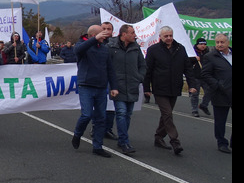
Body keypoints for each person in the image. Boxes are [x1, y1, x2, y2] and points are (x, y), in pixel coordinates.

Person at [143, 26, 198, 156]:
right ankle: (175, 141)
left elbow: (188, 69)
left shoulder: (180, 49)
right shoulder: (153, 50)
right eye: (166, 36)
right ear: (160, 37)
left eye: (170, 35)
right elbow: (147, 71)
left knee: (166, 115)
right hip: (160, 88)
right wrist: (147, 88)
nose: (168, 38)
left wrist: (192, 85)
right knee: (167, 114)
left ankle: (158, 137)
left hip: (175, 87)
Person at [71, 25, 119, 157]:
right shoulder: (82, 45)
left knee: (100, 118)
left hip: (101, 87)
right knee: (86, 114)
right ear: (93, 35)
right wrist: (94, 40)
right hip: (86, 85)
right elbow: (78, 50)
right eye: (101, 34)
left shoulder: (104, 49)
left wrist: (113, 86)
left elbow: (110, 69)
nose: (105, 36)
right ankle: (77, 134)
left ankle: (97, 146)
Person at [107, 24, 146, 155]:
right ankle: (124, 141)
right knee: (121, 113)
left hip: (133, 86)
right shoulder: (112, 48)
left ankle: (122, 138)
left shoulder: (136, 48)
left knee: (128, 114)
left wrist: (139, 77)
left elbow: (142, 65)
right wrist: (111, 83)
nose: (135, 35)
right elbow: (106, 65)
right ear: (124, 34)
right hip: (118, 87)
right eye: (132, 32)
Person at [200, 33, 232, 153]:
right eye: (217, 42)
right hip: (220, 93)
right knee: (220, 120)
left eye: (222, 42)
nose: (219, 45)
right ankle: (222, 142)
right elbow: (205, 74)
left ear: (228, 42)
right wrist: (217, 84)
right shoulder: (210, 57)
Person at [189, 38, 211, 116]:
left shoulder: (208, 53)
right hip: (195, 76)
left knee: (210, 91)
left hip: (205, 77)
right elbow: (187, 63)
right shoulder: (192, 52)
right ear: (197, 44)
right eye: (201, 44)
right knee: (195, 94)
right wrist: (194, 59)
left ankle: (204, 105)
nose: (203, 46)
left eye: (204, 44)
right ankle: (194, 110)